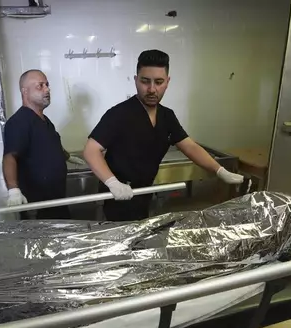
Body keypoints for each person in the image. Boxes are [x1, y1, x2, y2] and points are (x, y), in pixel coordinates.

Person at [83, 50, 244, 221]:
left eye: (159, 82)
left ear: (167, 82)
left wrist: (219, 170)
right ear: (136, 80)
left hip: (144, 193)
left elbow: (189, 146)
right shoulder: (119, 114)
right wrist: (113, 183)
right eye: (145, 81)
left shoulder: (167, 116)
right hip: (116, 196)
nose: (152, 89)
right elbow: (91, 150)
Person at [2, 69, 84, 219]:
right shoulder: (19, 122)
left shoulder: (45, 122)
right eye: (40, 86)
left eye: (47, 85)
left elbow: (50, 144)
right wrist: (13, 189)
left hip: (56, 200)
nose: (47, 89)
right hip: (37, 207)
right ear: (25, 91)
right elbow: (9, 157)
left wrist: (66, 156)